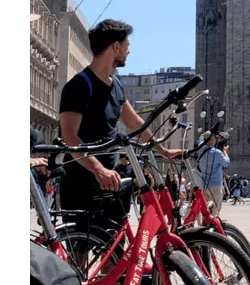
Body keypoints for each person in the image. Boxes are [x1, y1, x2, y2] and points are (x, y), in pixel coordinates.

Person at [57, 19, 183, 235]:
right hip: (82, 182)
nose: (129, 51)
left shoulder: (116, 85)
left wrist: (163, 151)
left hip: (112, 181)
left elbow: (135, 124)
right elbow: (69, 136)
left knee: (115, 247)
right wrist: (98, 170)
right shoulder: (79, 86)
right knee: (80, 251)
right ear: (115, 46)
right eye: (127, 45)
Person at [198, 131, 230, 216]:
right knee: (215, 209)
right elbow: (226, 162)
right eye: (215, 139)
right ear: (212, 140)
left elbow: (200, 138)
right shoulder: (217, 152)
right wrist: (225, 151)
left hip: (204, 185)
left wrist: (207, 133)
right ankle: (212, 222)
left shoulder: (200, 148)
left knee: (205, 209)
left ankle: (205, 222)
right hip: (215, 185)